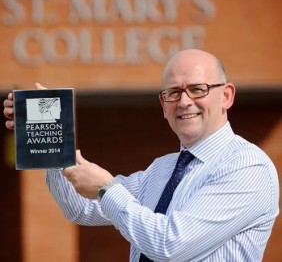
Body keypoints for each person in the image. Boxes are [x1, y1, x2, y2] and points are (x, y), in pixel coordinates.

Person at [3, 49, 279, 261]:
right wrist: (51, 133)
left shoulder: (246, 166)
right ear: (163, 105)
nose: (184, 101)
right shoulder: (162, 170)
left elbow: (170, 246)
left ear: (227, 96)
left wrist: (107, 188)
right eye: (173, 93)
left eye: (197, 89)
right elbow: (81, 209)